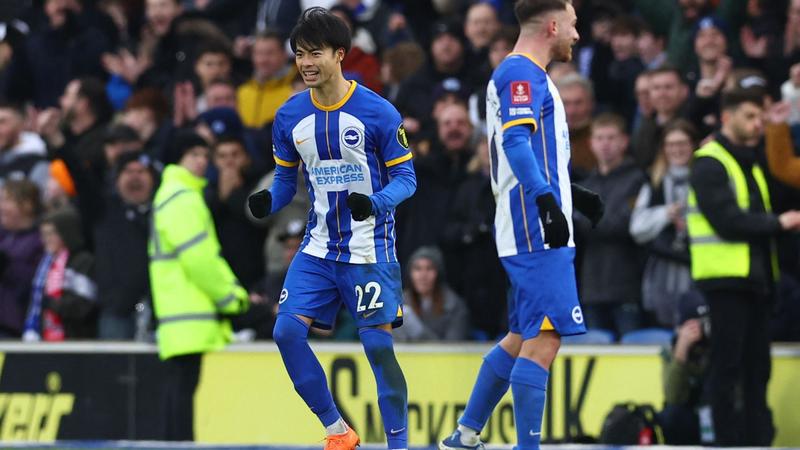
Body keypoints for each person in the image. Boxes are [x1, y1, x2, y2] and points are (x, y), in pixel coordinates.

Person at [246, 8, 416, 450]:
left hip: (369, 250)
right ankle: (338, 430)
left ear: (340, 55)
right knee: (285, 331)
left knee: (378, 350)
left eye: (315, 53)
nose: (305, 62)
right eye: (300, 54)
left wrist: (374, 203)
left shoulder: (378, 112)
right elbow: (286, 181)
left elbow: (407, 180)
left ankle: (399, 444)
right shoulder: (289, 116)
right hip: (317, 247)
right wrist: (269, 201)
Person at [440, 1, 603, 448]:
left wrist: (571, 193)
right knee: (546, 338)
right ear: (552, 25)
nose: (576, 34)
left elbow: (533, 149)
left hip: (528, 220)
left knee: (522, 334)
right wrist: (547, 200)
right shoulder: (521, 74)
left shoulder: (527, 75)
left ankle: (466, 434)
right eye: (572, 24)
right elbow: (514, 140)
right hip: (534, 226)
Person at [686, 89, 800, 446]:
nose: (757, 124)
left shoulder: (749, 160)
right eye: (750, 116)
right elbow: (728, 220)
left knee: (756, 371)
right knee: (727, 370)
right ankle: (726, 442)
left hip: (756, 281)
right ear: (726, 117)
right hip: (725, 282)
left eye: (760, 118)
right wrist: (778, 224)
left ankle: (756, 441)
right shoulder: (709, 161)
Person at [149, 131, 251, 440]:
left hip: (177, 312)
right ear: (178, 159)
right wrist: (231, 296)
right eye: (193, 155)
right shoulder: (182, 197)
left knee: (178, 390)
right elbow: (200, 259)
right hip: (189, 310)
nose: (201, 161)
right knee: (181, 391)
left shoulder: (172, 194)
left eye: (204, 155)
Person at [575, 113, 646, 339]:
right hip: (591, 286)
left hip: (627, 285)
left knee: (632, 352)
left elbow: (623, 225)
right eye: (600, 138)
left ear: (624, 141)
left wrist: (583, 217)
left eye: (611, 138)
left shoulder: (637, 179)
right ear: (591, 143)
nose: (605, 144)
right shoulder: (586, 184)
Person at [630, 120, 696, 328]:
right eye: (671, 144)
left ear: (693, 145)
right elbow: (637, 227)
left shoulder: (705, 177)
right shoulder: (654, 181)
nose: (677, 150)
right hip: (663, 268)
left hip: (697, 264)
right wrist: (666, 214)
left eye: (682, 143)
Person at [22, 208, 97, 341]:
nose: (46, 240)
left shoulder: (82, 261)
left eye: (51, 234)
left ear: (66, 233)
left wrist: (52, 303)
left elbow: (84, 306)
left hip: (75, 338)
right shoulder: (45, 264)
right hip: (45, 337)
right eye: (44, 234)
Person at [393, 246, 470, 342]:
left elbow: (454, 349)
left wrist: (416, 329)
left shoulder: (455, 306)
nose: (423, 276)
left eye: (429, 269)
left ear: (439, 273)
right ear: (410, 273)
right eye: (417, 269)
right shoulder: (398, 303)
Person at [0, 180, 44, 338]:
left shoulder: (40, 239)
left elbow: (36, 278)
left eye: (7, 200)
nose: (1, 207)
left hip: (12, 327)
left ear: (27, 205)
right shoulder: (3, 236)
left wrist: (6, 264)